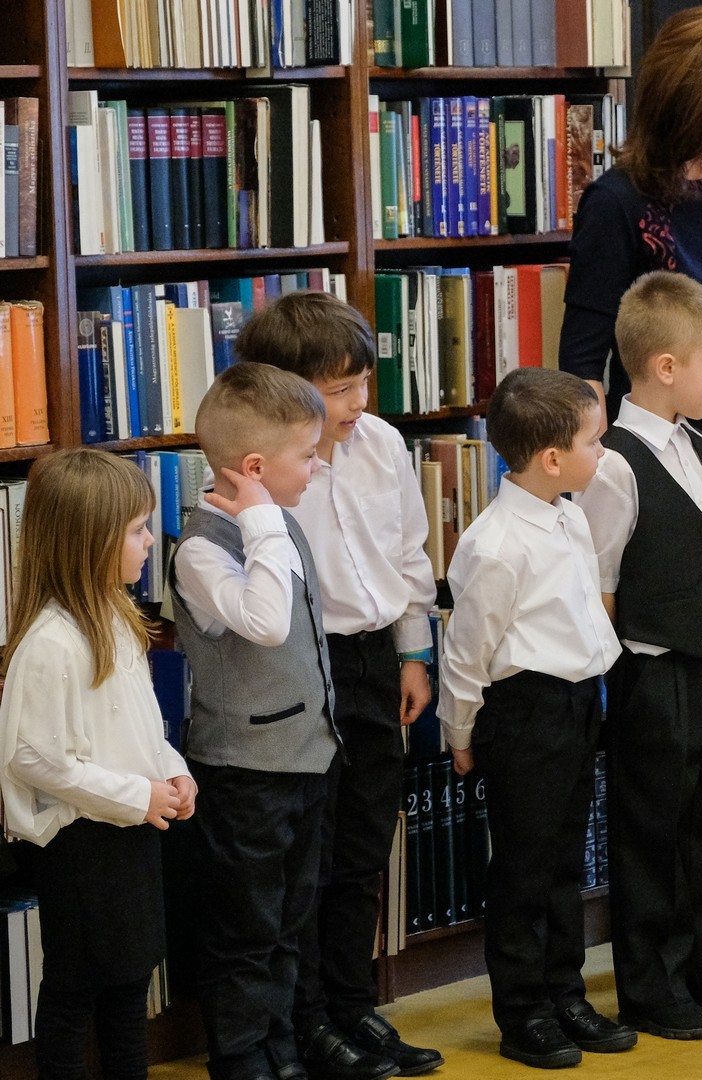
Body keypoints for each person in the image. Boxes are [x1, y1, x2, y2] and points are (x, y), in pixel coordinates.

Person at [232, 291, 442, 1079]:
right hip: (301, 666)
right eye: (340, 389)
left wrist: (413, 652)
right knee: (309, 856)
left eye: (362, 383)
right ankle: (309, 1019)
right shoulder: (267, 472)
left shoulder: (381, 444)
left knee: (362, 845)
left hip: (374, 661)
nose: (358, 402)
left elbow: (409, 553)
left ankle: (355, 1006)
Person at [574, 272, 702, 1039]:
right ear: (665, 367)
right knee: (654, 833)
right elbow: (599, 581)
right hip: (652, 669)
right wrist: (616, 678)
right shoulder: (614, 463)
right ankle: (652, 983)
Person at [436, 369, 635, 1069]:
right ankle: (524, 1012)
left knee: (564, 863)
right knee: (524, 870)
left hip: (577, 704)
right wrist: (460, 731)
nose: (603, 452)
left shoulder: (570, 515)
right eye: (593, 441)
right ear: (552, 458)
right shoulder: (494, 544)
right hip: (524, 714)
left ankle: (564, 994)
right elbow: (468, 650)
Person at [0, 449, 195, 1080]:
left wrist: (173, 770)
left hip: (132, 831)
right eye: (138, 530)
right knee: (75, 991)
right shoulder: (51, 643)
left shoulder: (116, 615)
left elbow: (140, 724)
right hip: (84, 846)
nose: (150, 542)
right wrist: (137, 795)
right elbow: (34, 759)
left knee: (128, 985)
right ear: (89, 542)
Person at [171, 363, 341, 1080]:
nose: (318, 464)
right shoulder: (201, 550)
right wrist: (264, 520)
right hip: (245, 772)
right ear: (253, 469)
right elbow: (267, 622)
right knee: (247, 928)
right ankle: (242, 1060)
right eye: (306, 454)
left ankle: (282, 1049)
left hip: (305, 757)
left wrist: (270, 520)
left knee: (291, 921)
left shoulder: (280, 526)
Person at [560, 4, 702, 507]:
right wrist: (600, 479)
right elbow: (582, 362)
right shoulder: (616, 202)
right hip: (662, 459)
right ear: (690, 93)